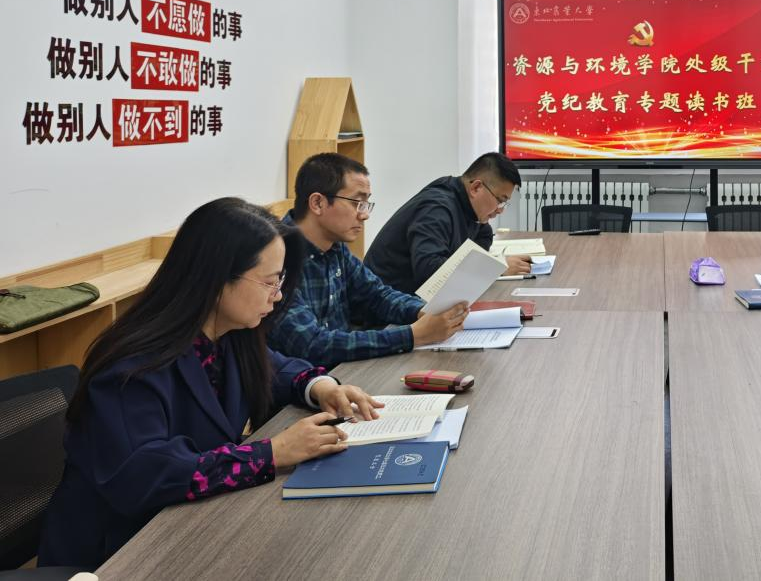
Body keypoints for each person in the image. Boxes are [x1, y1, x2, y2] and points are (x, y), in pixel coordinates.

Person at [39, 198, 381, 569]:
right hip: (117, 554)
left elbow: (276, 369)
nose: (279, 295)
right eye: (269, 282)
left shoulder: (227, 334)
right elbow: (146, 476)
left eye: (280, 281)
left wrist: (321, 386)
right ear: (217, 280)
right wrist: (272, 453)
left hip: (185, 526)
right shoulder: (131, 367)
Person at [267, 153, 468, 367]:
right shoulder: (276, 258)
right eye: (357, 202)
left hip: (344, 371)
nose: (364, 215)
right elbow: (313, 345)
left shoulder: (335, 248)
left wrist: (424, 311)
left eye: (366, 204)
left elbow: (377, 295)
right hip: (304, 381)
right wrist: (413, 335)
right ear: (318, 203)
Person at [367, 152, 531, 295]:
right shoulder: (436, 209)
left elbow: (482, 238)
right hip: (385, 308)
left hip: (415, 303)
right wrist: (495, 269)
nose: (500, 210)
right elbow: (430, 272)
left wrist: (481, 267)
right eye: (500, 200)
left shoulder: (467, 206)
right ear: (476, 188)